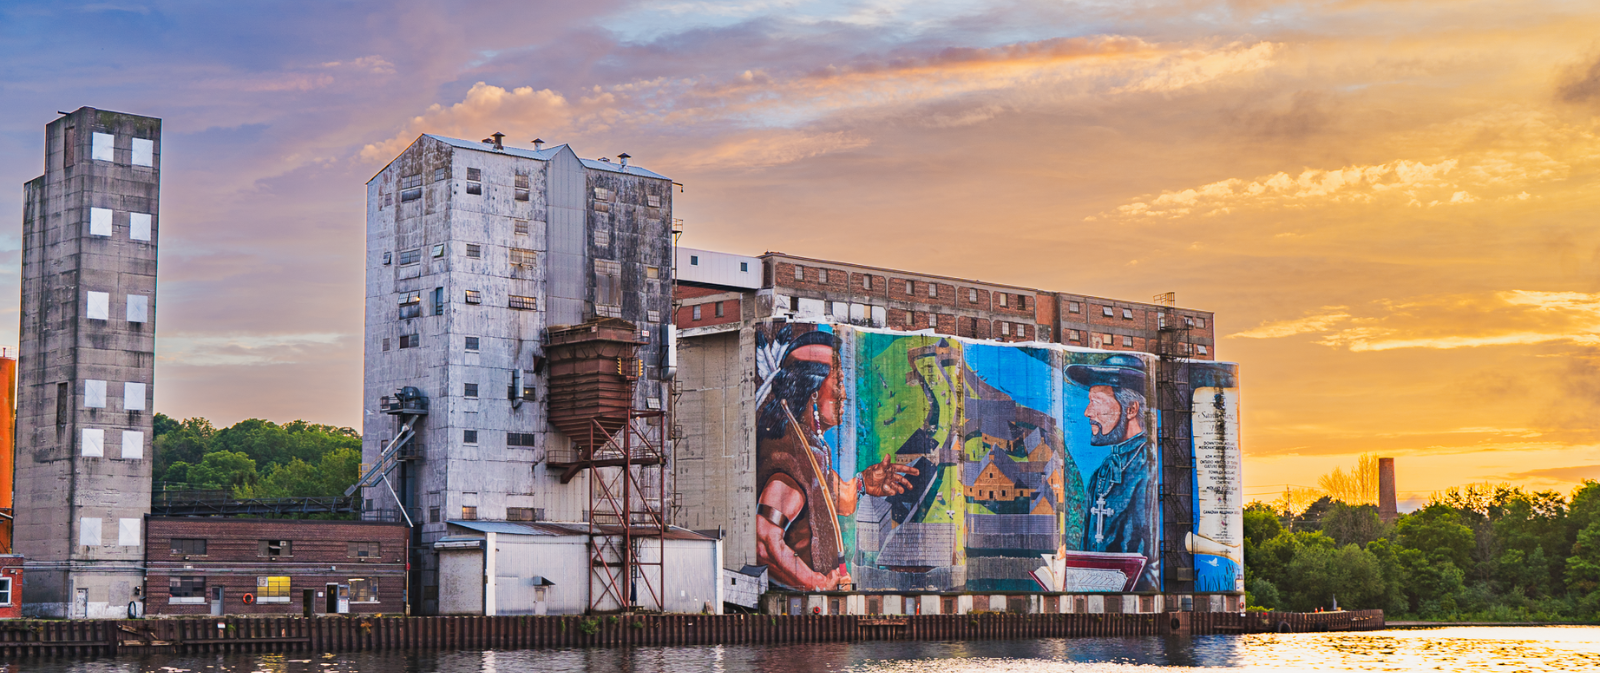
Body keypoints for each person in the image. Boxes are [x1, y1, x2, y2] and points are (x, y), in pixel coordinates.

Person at [755, 328, 919, 590]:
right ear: (814, 393)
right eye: (838, 383)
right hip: (799, 610)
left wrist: (864, 483)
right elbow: (764, 541)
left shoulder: (810, 449)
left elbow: (830, 498)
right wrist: (818, 583)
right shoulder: (789, 460)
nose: (844, 394)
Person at [1067, 354, 1156, 580]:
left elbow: (1154, 564)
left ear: (1131, 410)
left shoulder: (1152, 469)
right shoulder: (1101, 473)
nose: (1087, 412)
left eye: (1096, 402)